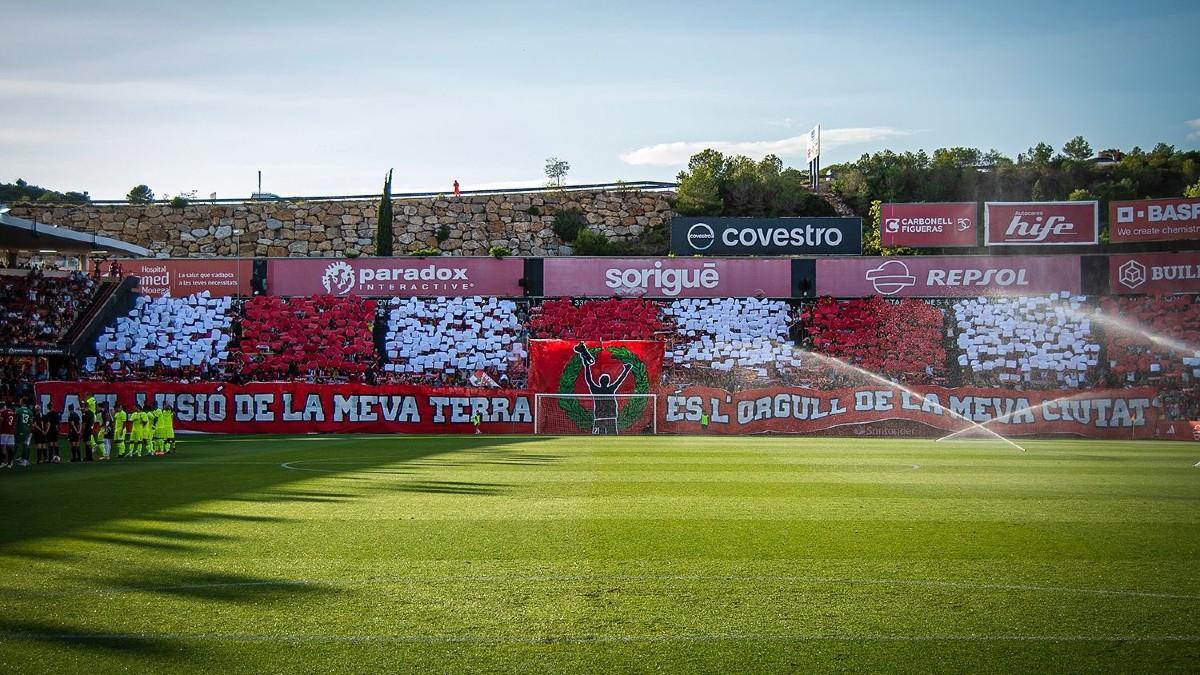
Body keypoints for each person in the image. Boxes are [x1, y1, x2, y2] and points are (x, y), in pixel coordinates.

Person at [14, 398, 33, 467]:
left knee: (16, 444)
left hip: (19, 430)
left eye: (20, 401)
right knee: (26, 445)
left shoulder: (18, 410)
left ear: (22, 402)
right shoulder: (29, 411)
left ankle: (11, 460)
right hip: (27, 430)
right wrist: (30, 431)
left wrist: (14, 429)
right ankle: (25, 460)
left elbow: (15, 422)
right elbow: (31, 423)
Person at [0, 402, 13, 469]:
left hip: (4, 431)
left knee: (3, 447)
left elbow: (1, 421)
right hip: (11, 432)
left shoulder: (3, 412)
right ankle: (10, 463)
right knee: (10, 447)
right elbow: (15, 422)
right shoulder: (12, 412)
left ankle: (3, 462)